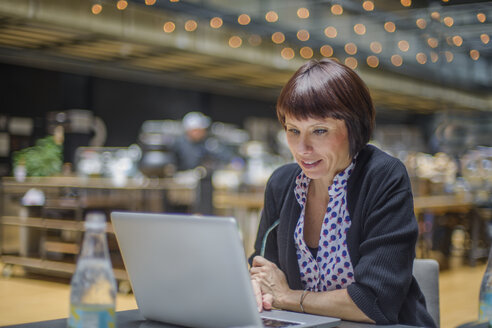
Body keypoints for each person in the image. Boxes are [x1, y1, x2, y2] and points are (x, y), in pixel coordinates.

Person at [248, 59, 436, 327]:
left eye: (319, 131)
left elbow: (375, 302)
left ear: (354, 126)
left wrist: (290, 297)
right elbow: (263, 270)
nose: (302, 148)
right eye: (293, 131)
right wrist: (256, 285)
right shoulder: (281, 184)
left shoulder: (382, 176)